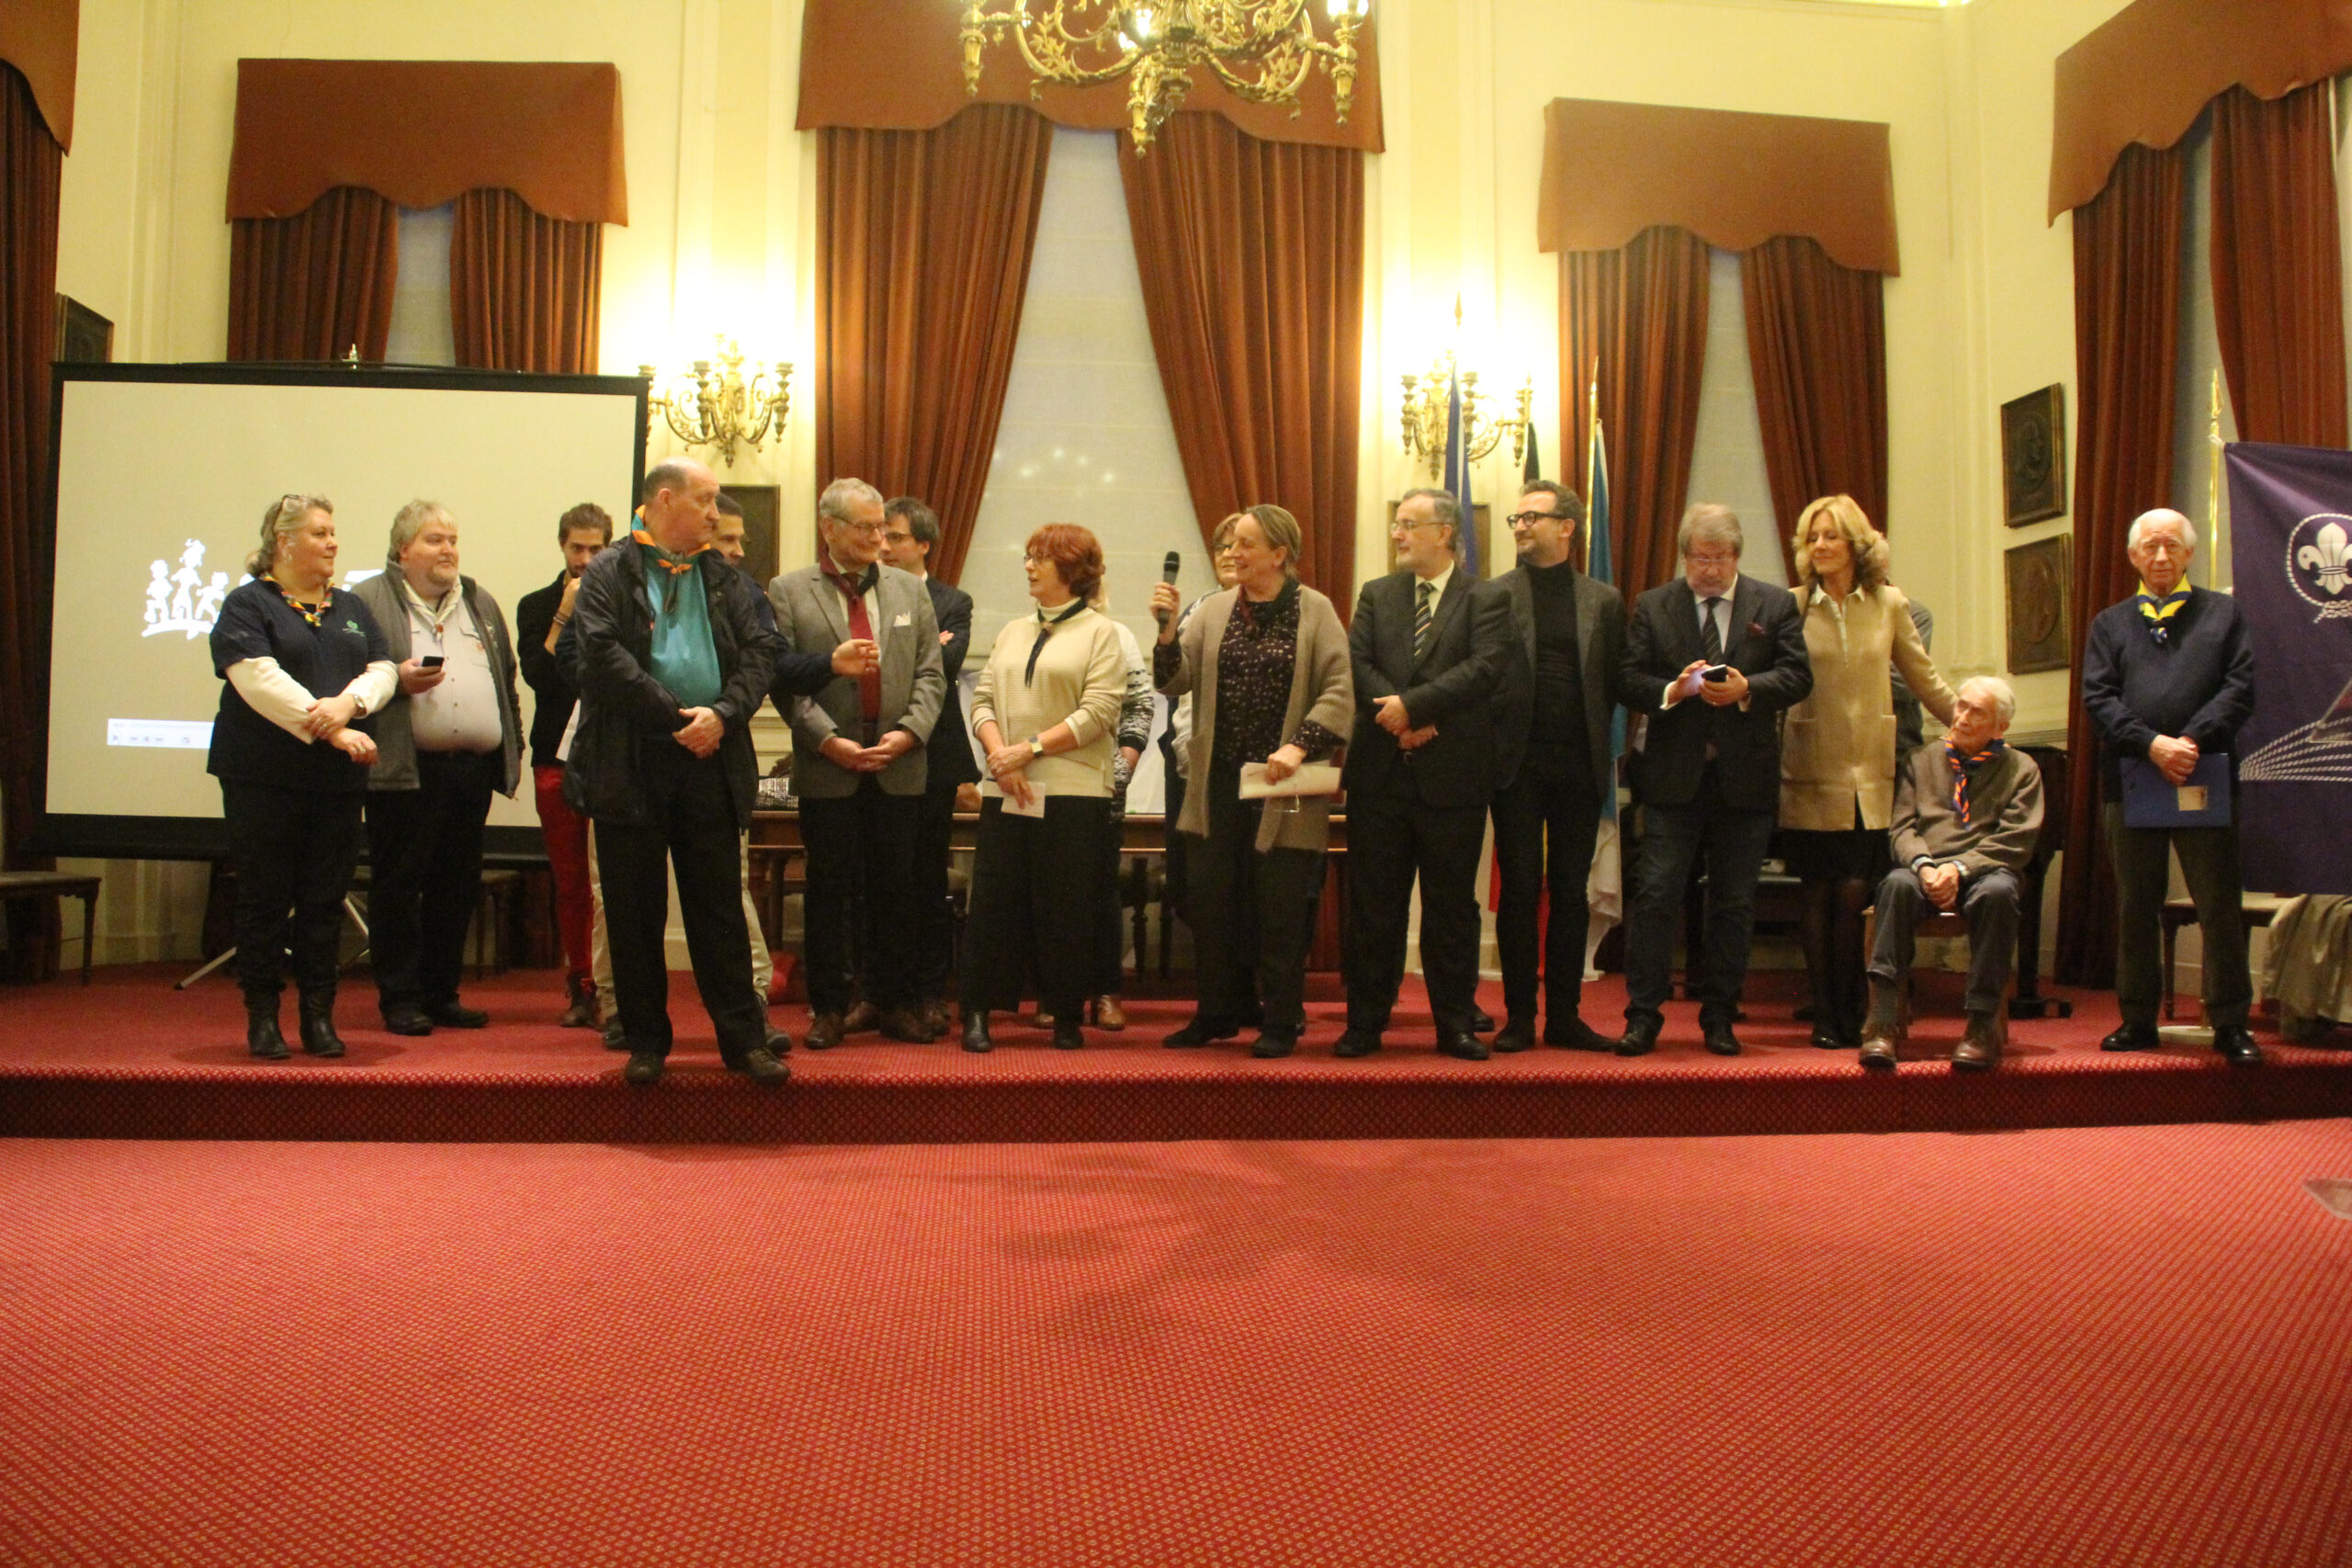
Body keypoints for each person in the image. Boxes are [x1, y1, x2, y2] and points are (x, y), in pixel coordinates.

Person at [568, 457, 785, 1086]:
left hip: (711, 759)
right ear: (666, 501)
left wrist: (720, 715)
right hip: (630, 762)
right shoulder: (608, 570)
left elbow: (761, 653)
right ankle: (645, 1041)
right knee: (634, 910)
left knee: (718, 907)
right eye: (707, 500)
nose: (717, 514)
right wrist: (676, 719)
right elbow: (601, 656)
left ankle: (743, 1040)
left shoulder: (724, 576)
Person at [1152, 504, 1352, 1057]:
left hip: (1283, 784)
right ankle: (1216, 1012)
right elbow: (1175, 683)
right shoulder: (1214, 610)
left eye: (1244, 544)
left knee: (1280, 905)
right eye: (1231, 545)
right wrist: (1168, 634)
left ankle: (1282, 1020)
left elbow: (1339, 691)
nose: (1232, 554)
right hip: (1216, 783)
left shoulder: (1316, 611)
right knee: (1212, 901)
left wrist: (1299, 745)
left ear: (1279, 554)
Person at [1614, 503, 1814, 1057]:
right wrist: (1673, 692)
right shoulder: (1654, 606)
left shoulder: (1773, 604)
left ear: (1736, 557)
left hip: (1743, 781)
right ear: (1684, 558)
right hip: (1672, 780)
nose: (1708, 569)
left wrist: (1749, 688)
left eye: (1719, 558)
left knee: (1733, 903)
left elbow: (1798, 675)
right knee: (1656, 897)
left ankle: (1721, 1016)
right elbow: (1628, 680)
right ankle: (1643, 1015)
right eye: (1698, 559)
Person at [206, 493, 395, 1060]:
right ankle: (263, 1016)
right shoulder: (247, 605)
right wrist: (333, 727)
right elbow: (260, 681)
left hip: (335, 784)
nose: (333, 542)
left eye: (333, 531)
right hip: (262, 777)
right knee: (264, 899)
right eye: (319, 533)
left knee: (323, 899)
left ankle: (318, 1015)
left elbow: (383, 668)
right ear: (283, 542)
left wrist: (354, 703)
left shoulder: (351, 606)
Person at [769, 478, 946, 1049]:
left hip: (899, 764)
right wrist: (828, 742)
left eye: (883, 529)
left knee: (898, 889)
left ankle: (893, 1002)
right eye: (866, 528)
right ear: (830, 529)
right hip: (830, 767)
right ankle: (827, 1007)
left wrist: (908, 733)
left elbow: (930, 674)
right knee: (829, 892)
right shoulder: (789, 590)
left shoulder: (908, 591)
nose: (879, 539)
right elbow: (784, 681)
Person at [2082, 507, 2262, 1066]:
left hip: (2204, 774)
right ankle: (2137, 1020)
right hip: (2132, 777)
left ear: (2188, 555)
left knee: (2218, 903)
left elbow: (2241, 686)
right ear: (2134, 557)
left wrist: (2190, 741)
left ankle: (2230, 1022)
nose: (2161, 557)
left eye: (2171, 547)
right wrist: (2151, 745)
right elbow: (2098, 696)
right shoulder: (2109, 624)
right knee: (2137, 903)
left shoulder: (2224, 614)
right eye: (2150, 547)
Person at [1338, 489, 1513, 1061]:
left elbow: (1486, 667)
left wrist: (1415, 708)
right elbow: (1357, 663)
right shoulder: (1377, 594)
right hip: (1380, 777)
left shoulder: (1486, 597)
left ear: (1445, 533)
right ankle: (1365, 1021)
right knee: (1374, 906)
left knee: (1450, 908)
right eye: (1396, 524)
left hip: (1452, 781)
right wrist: (1398, 719)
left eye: (1409, 525)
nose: (1397, 534)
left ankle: (1454, 1023)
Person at [1779, 495, 1955, 1049]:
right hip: (1809, 764)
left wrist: (1974, 720)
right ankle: (1824, 1012)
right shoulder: (1792, 606)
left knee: (1855, 892)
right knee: (1816, 893)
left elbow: (1924, 679)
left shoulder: (1889, 603)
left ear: (1856, 543)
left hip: (1871, 773)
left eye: (1831, 536)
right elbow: (1768, 682)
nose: (1821, 546)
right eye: (1813, 537)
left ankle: (1856, 1003)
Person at [351, 501, 525, 1037]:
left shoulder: (478, 601)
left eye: (451, 539)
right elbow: (348, 681)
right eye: (433, 540)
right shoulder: (367, 601)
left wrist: (508, 743)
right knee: (400, 885)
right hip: (404, 771)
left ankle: (441, 992)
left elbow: (505, 678)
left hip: (469, 771)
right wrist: (397, 681)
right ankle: (400, 999)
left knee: (456, 885)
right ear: (403, 550)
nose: (448, 549)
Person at [962, 524, 1128, 1052]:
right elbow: (983, 699)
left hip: (1073, 791)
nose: (1029, 566)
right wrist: (998, 755)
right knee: (992, 900)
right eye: (1027, 556)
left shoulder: (1103, 633)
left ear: (1073, 569)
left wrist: (1027, 750)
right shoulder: (1011, 630)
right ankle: (979, 1013)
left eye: (1041, 558)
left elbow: (1100, 712)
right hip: (1005, 786)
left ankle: (1064, 1016)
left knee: (1065, 904)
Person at [1488, 479, 1625, 1053]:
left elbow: (1618, 682)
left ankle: (1564, 1016)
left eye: (1531, 517)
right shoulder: (1493, 596)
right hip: (1515, 765)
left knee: (1570, 892)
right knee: (1520, 888)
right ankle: (1520, 1017)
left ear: (1567, 527)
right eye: (1515, 518)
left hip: (1580, 765)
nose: (1519, 526)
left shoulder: (1604, 600)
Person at [1859, 676, 2042, 1071]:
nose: (1961, 717)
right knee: (1894, 885)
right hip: (1925, 868)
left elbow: (2017, 839)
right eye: (1961, 705)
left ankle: (1980, 1026)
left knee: (1998, 894)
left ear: (2000, 727)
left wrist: (1960, 869)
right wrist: (1926, 867)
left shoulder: (2022, 769)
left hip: (1986, 870)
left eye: (1976, 711)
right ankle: (1883, 1023)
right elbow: (1902, 829)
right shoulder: (1921, 760)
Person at [880, 495, 978, 1034]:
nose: (884, 545)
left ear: (922, 544)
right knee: (880, 879)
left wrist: (905, 656)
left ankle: (928, 991)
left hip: (933, 758)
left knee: (926, 879)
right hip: (873, 753)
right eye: (881, 536)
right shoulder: (867, 593)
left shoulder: (952, 601)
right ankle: (880, 991)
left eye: (894, 537)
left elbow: (944, 665)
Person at [514, 502, 612, 1027]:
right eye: (578, 548)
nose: (587, 559)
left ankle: (614, 984)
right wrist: (564, 614)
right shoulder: (536, 605)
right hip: (556, 758)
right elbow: (540, 676)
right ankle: (580, 986)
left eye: (597, 549)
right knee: (571, 880)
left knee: (611, 880)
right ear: (562, 547)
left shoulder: (625, 600)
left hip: (611, 759)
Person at [1083, 576, 1156, 1031]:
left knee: (1101, 888)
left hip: (1103, 782)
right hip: (1047, 782)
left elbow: (1141, 704)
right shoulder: (1029, 632)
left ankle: (1107, 990)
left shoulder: (1118, 636)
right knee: (1051, 889)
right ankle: (1058, 993)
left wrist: (1125, 761)